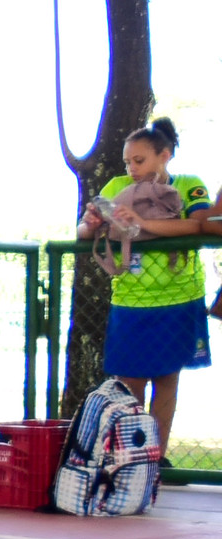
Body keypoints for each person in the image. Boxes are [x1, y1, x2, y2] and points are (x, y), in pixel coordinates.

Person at [77, 118, 211, 454]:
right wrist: (91, 225)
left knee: (167, 379)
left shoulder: (189, 185)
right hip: (131, 300)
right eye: (128, 162)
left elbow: (198, 226)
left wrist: (142, 223)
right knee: (131, 380)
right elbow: (82, 230)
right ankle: (132, 456)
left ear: (164, 155)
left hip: (180, 298)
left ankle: (157, 457)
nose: (132, 169)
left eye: (140, 161)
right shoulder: (116, 187)